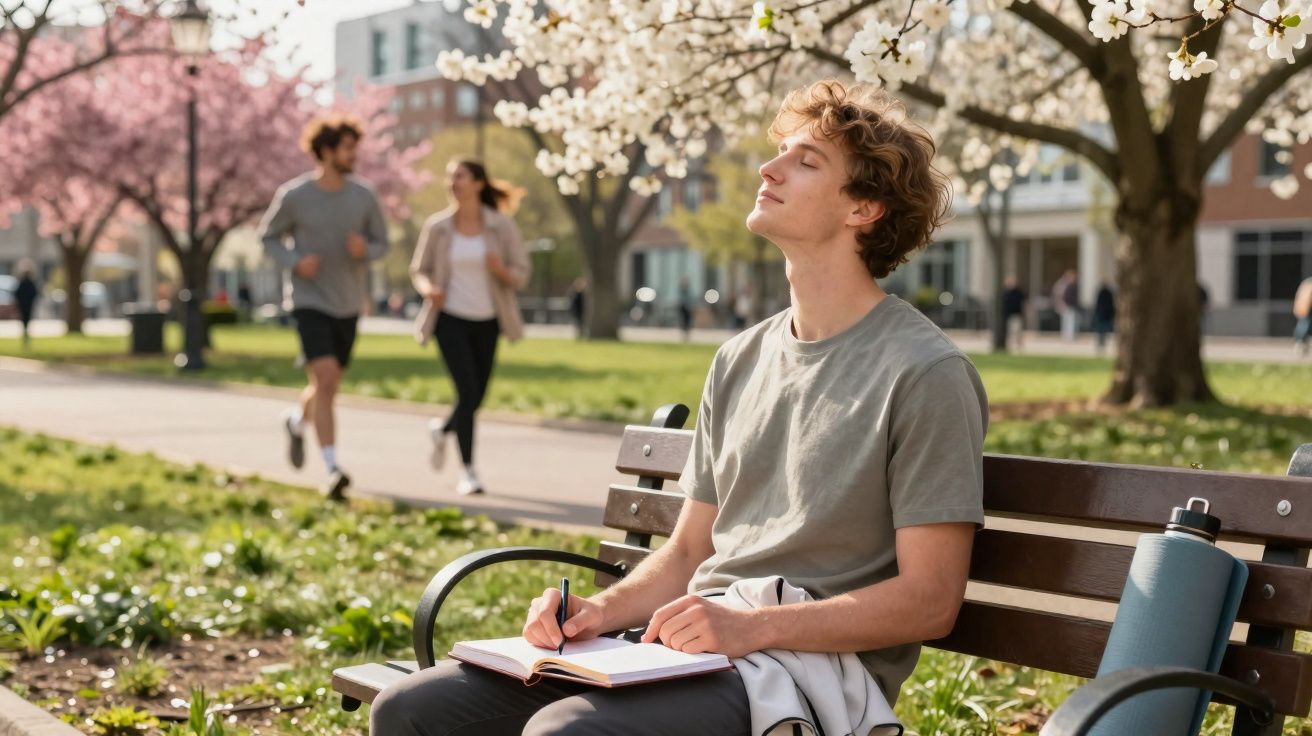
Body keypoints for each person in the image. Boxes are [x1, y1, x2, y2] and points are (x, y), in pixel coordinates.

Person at [371, 79, 986, 735]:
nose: (767, 168)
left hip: (802, 674)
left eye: (804, 162)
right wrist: (595, 612)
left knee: (566, 734)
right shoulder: (740, 360)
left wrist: (748, 627)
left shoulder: (925, 373)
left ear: (862, 209)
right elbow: (690, 549)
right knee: (411, 711)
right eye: (780, 151)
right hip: (695, 648)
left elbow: (930, 600)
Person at [259, 114, 389, 501]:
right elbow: (267, 238)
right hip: (308, 300)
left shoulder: (364, 196)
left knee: (325, 384)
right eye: (348, 148)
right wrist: (295, 262)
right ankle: (332, 468)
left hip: (347, 302)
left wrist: (366, 250)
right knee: (327, 379)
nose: (355, 155)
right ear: (327, 150)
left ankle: (297, 421)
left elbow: (384, 244)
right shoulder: (294, 196)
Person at [410, 159, 531, 495]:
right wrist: (427, 289)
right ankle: (469, 471)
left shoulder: (500, 227)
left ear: (478, 182)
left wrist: (501, 271)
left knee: (476, 396)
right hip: (449, 319)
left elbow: (521, 273)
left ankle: (442, 428)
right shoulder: (438, 227)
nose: (452, 182)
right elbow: (419, 269)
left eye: (459, 176)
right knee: (466, 392)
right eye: (450, 177)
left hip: (488, 321)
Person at [15, 262, 38, 350]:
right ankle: (25, 334)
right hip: (27, 305)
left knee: (25, 320)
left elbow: (17, 294)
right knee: (26, 319)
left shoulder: (24, 283)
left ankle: (25, 334)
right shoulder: (27, 283)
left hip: (25, 305)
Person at [1052, 269, 1079, 341]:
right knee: (1067, 321)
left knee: (1069, 321)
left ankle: (1069, 335)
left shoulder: (1070, 285)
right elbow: (1059, 295)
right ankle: (1067, 335)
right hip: (1065, 305)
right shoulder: (1062, 284)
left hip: (1068, 305)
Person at [1002, 275, 1026, 351]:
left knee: (1018, 331)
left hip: (1017, 314)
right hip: (1009, 315)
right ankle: (1010, 346)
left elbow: (1024, 303)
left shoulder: (1019, 292)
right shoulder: (1006, 293)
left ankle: (1019, 345)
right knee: (1010, 331)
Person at [1092, 282, 1115, 354]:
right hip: (1106, 314)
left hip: (1102, 314)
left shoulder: (1101, 293)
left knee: (1101, 329)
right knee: (1103, 329)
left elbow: (1098, 304)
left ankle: (1100, 343)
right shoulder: (1108, 293)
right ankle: (1102, 343)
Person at [1294, 276, 1312, 357]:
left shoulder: (1306, 284)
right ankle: (1301, 342)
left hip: (1306, 309)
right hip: (1307, 309)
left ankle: (1302, 343)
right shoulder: (1308, 284)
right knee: (1304, 325)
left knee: (1304, 325)